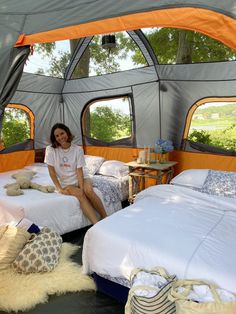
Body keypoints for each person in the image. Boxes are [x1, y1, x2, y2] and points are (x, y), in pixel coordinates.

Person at [44, 123, 107, 225]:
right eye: (57, 136)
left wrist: (81, 187)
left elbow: (79, 171)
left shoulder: (78, 150)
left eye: (62, 133)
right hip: (65, 183)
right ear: (54, 138)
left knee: (89, 191)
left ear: (67, 133)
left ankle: (105, 217)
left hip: (82, 177)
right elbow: (51, 171)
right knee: (80, 194)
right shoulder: (50, 150)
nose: (60, 137)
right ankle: (97, 224)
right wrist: (59, 188)